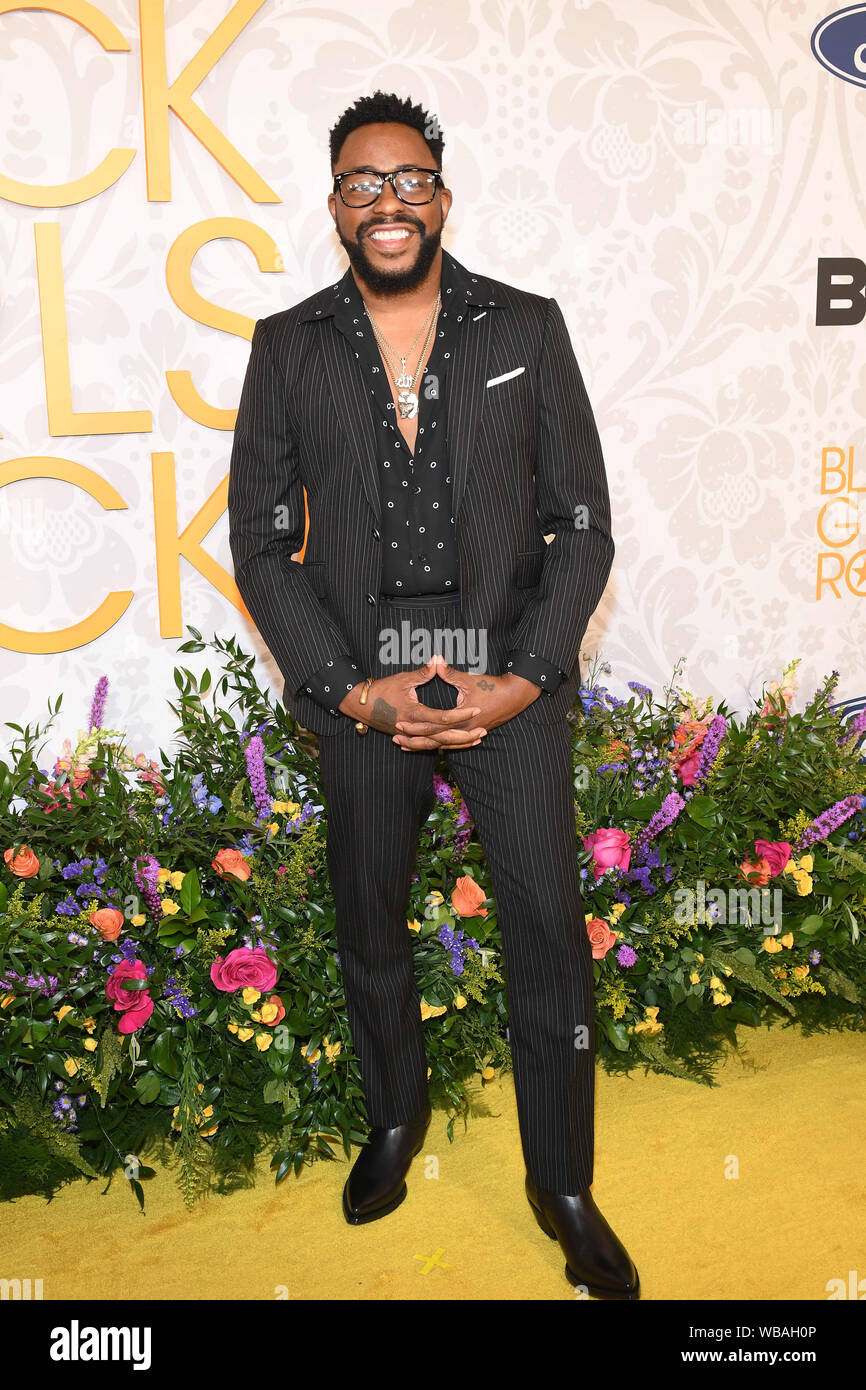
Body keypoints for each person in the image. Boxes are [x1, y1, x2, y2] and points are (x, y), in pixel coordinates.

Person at [228, 90, 638, 1299]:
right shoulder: (288, 342)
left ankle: (559, 1184)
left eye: (407, 179)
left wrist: (518, 679)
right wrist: (356, 693)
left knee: (547, 944)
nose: (387, 202)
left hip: (504, 668)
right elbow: (260, 543)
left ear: (442, 196)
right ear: (335, 206)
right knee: (369, 927)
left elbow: (580, 523)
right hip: (362, 680)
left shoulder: (525, 322)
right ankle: (394, 1120)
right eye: (362, 183)